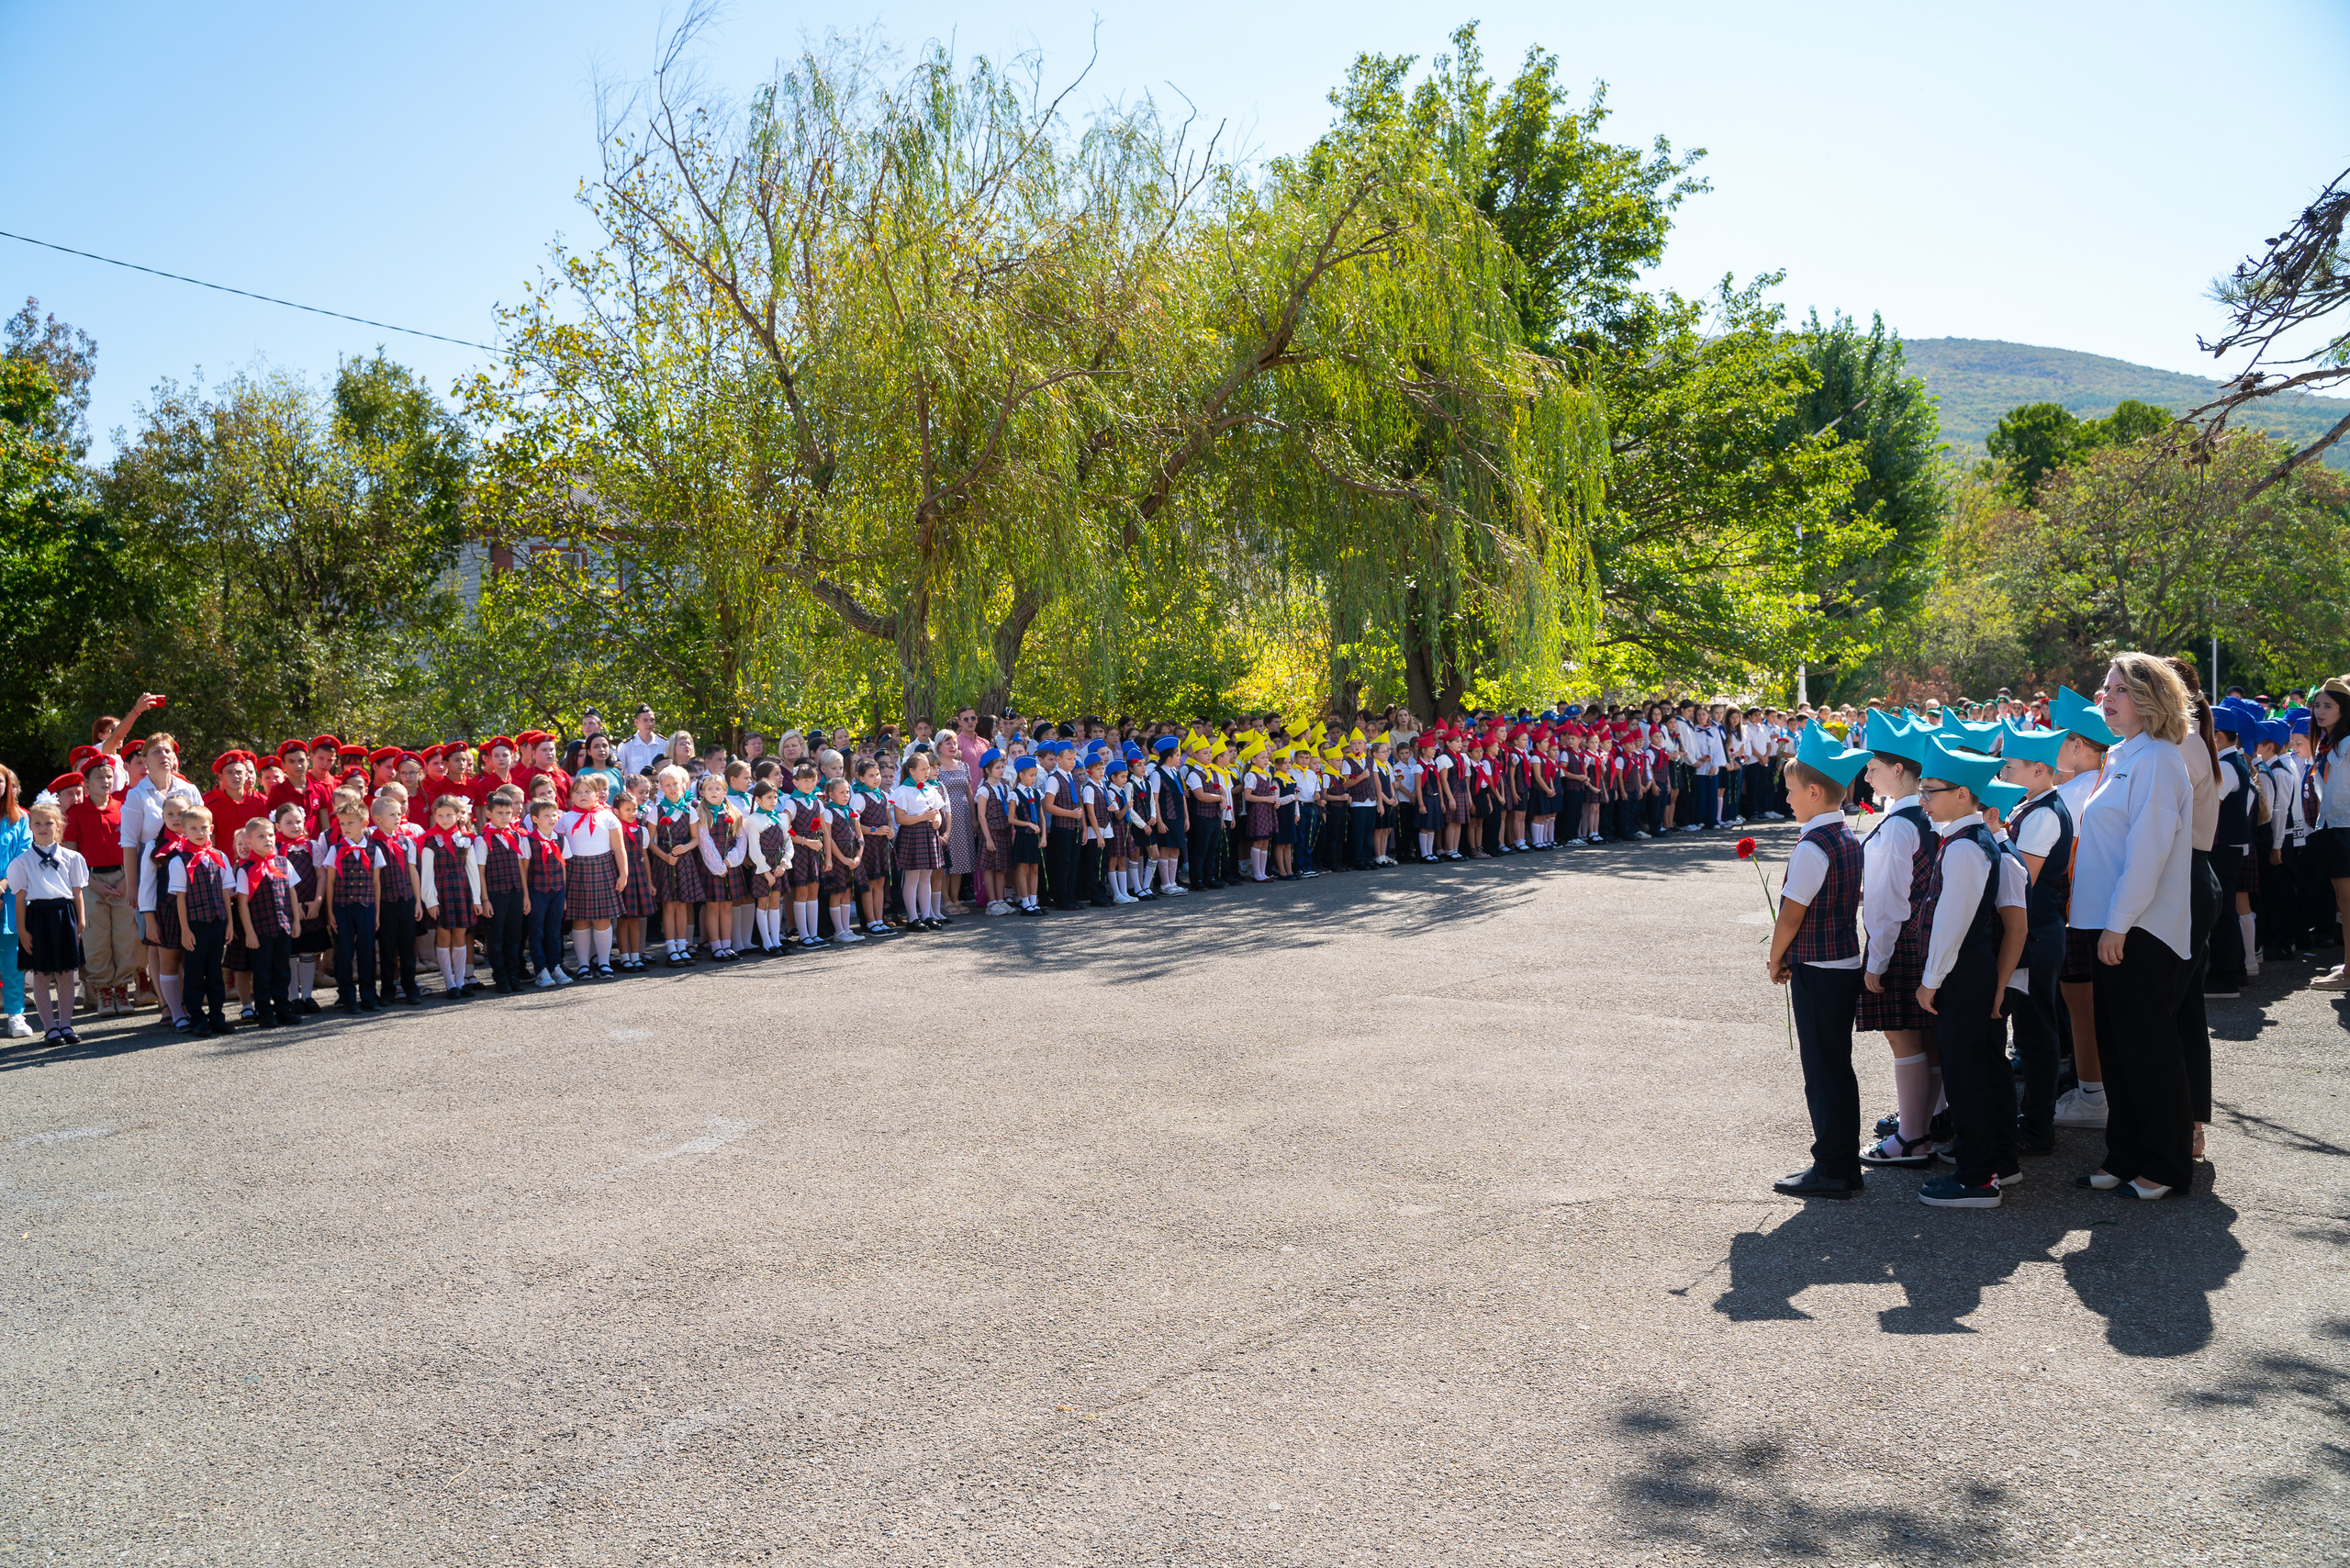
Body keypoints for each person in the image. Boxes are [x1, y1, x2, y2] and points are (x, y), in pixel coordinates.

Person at [2071, 654, 2198, 1201]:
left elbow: (2148, 853)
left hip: (2140, 928)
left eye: (2119, 689)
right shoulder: (2125, 754)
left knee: (2148, 1050)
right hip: (2110, 923)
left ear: (2150, 699)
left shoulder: (2161, 760)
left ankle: (2165, 1165)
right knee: (2119, 1048)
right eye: (2105, 688)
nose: (2106, 697)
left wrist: (2119, 925)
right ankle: (2124, 1156)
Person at [1911, 738, 2029, 1209]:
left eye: (1931, 791)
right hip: (1970, 969)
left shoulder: (1964, 847)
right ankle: (1996, 1161)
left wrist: (1930, 980)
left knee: (1966, 1074)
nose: (1923, 799)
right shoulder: (1969, 838)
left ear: (1963, 794)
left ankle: (1977, 1178)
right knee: (1980, 1067)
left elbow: (1952, 923)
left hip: (1961, 972)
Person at [1765, 723, 1875, 1200]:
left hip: (1820, 969)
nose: (1788, 799)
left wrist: (1775, 958)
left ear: (1814, 792)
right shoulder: (1845, 836)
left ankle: (1833, 1167)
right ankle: (1840, 1164)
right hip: (1841, 962)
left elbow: (1791, 914)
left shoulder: (1813, 845)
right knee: (1834, 1067)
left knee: (1824, 1071)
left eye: (1792, 790)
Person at [1856, 717, 1942, 1170]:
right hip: (1927, 938)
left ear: (1898, 771)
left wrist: (1877, 959)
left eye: (1874, 767)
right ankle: (1929, 1122)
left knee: (1903, 1038)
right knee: (1928, 1038)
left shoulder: (1897, 826)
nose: (1867, 775)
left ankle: (1912, 1137)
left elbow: (1889, 904)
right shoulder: (1928, 814)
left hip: (1902, 942)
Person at [1998, 721, 2072, 1156]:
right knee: (2030, 1031)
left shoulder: (2043, 814)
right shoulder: (2031, 806)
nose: (2003, 772)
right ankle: (2032, 1120)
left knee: (2036, 1033)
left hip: (2038, 932)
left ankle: (2038, 1126)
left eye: (2011, 766)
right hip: (2036, 929)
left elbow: (2022, 879)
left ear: (2039, 769)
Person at [7, 801, 87, 1044]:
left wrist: (81, 921)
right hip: (38, 918)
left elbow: (77, 892)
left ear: (59, 825)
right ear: (30, 826)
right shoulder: (22, 862)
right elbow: (20, 898)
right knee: (41, 975)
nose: (43, 828)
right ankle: (50, 1028)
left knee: (66, 973)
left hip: (65, 916)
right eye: (38, 823)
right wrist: (22, 930)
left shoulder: (72, 858)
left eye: (49, 823)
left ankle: (66, 1025)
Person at [234, 817, 303, 1028]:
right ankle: (265, 1012)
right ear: (249, 842)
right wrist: (250, 933)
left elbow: (292, 893)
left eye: (271, 835)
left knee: (282, 970)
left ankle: (283, 1009)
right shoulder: (246, 869)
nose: (268, 839)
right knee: (262, 973)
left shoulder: (283, 862)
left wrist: (296, 921)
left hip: (282, 926)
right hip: (260, 930)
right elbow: (242, 904)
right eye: (261, 836)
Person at [560, 775, 629, 978]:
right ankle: (583, 965)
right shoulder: (565, 819)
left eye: (588, 791)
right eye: (578, 792)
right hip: (575, 870)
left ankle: (604, 963)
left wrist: (623, 874)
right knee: (579, 920)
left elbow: (619, 848)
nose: (583, 795)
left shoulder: (608, 816)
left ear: (597, 794)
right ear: (572, 796)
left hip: (603, 869)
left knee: (603, 919)